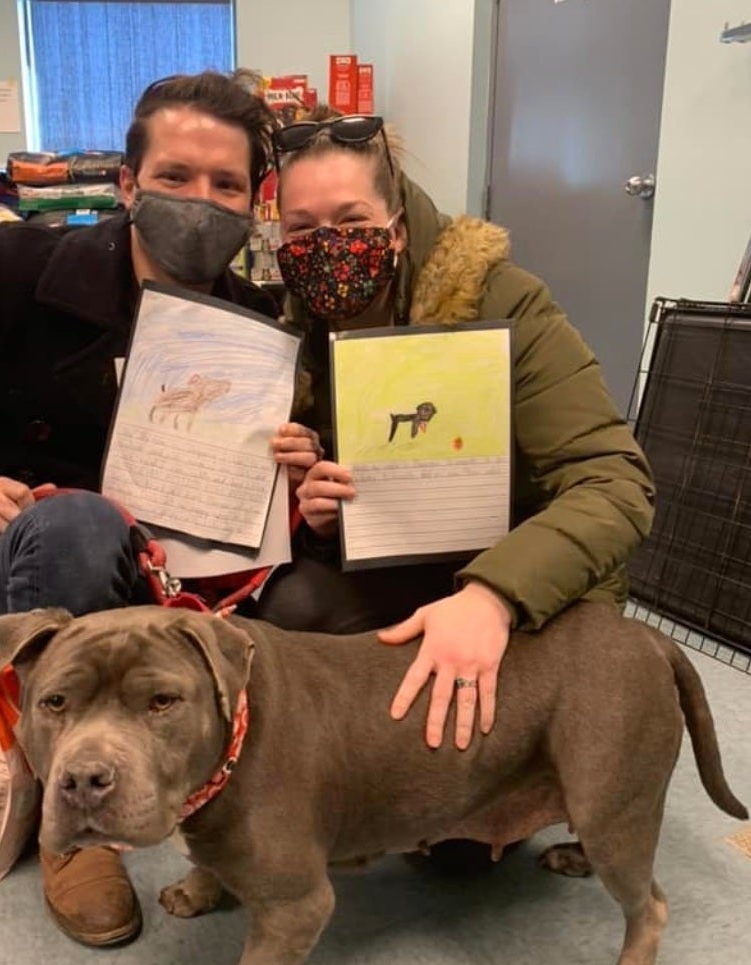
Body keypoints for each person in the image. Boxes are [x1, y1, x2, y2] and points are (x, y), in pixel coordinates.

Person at [0, 70, 318, 949]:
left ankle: (227, 795)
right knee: (83, 524)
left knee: (293, 592)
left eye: (226, 185)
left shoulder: (254, 320)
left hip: (180, 566)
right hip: (35, 555)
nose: (201, 202)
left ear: (253, 202)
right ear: (130, 185)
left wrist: (291, 458)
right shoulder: (23, 265)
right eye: (176, 177)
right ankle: (79, 824)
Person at [258, 111, 655, 760]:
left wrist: (495, 595)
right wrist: (330, 514)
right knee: (293, 605)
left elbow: (614, 483)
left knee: (462, 854)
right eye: (302, 230)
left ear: (400, 227)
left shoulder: (505, 302)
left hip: (531, 583)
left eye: (354, 222)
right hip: (404, 572)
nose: (326, 246)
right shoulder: (300, 330)